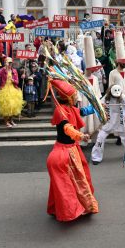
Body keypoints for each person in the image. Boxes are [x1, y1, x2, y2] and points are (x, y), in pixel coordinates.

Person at [46, 79, 98, 222]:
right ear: (68, 97)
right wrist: (81, 135)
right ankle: (71, 209)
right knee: (70, 183)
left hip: (72, 149)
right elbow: (67, 128)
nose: (76, 97)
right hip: (64, 152)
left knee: (75, 180)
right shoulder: (60, 111)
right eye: (75, 95)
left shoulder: (70, 108)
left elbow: (82, 111)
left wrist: (98, 107)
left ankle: (61, 207)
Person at [91, 84, 125, 165]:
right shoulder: (106, 98)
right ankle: (96, 157)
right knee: (100, 138)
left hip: (121, 120)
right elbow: (99, 106)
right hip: (109, 121)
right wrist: (102, 111)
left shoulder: (123, 97)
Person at [0, 57, 24, 128]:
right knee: (6, 106)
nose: (10, 64)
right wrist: (4, 68)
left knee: (13, 106)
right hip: (4, 89)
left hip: (13, 89)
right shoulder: (2, 70)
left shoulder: (14, 71)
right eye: (8, 63)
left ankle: (11, 120)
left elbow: (17, 82)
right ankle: (6, 121)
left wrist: (13, 80)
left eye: (11, 63)